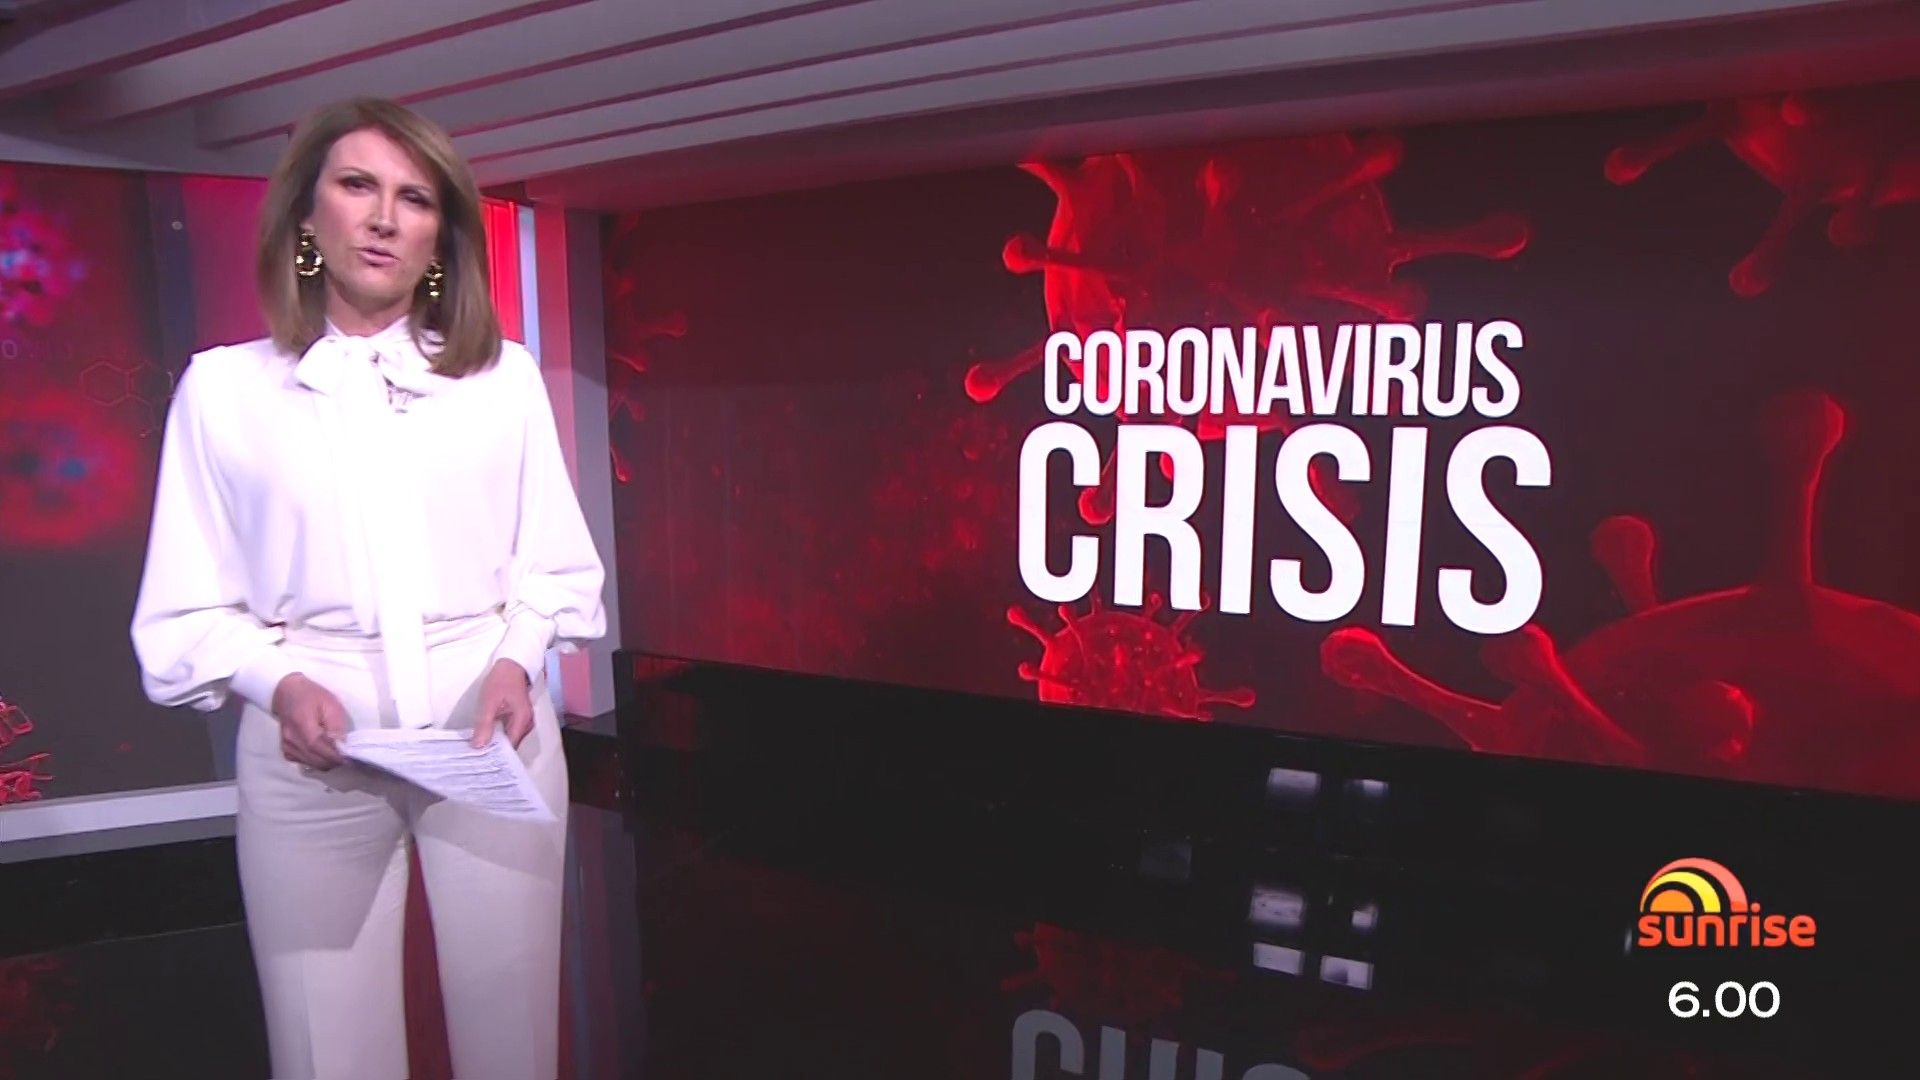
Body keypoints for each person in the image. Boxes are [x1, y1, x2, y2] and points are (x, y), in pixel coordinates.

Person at [129, 97, 605, 1080]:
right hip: (310, 752)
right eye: (357, 186)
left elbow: (555, 565)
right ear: (306, 217)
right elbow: (186, 607)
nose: (385, 217)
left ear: (440, 236)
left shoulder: (503, 379)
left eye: (415, 198)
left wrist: (518, 660)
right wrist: (278, 684)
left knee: (513, 1035)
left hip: (489, 729)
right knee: (325, 1049)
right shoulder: (223, 392)